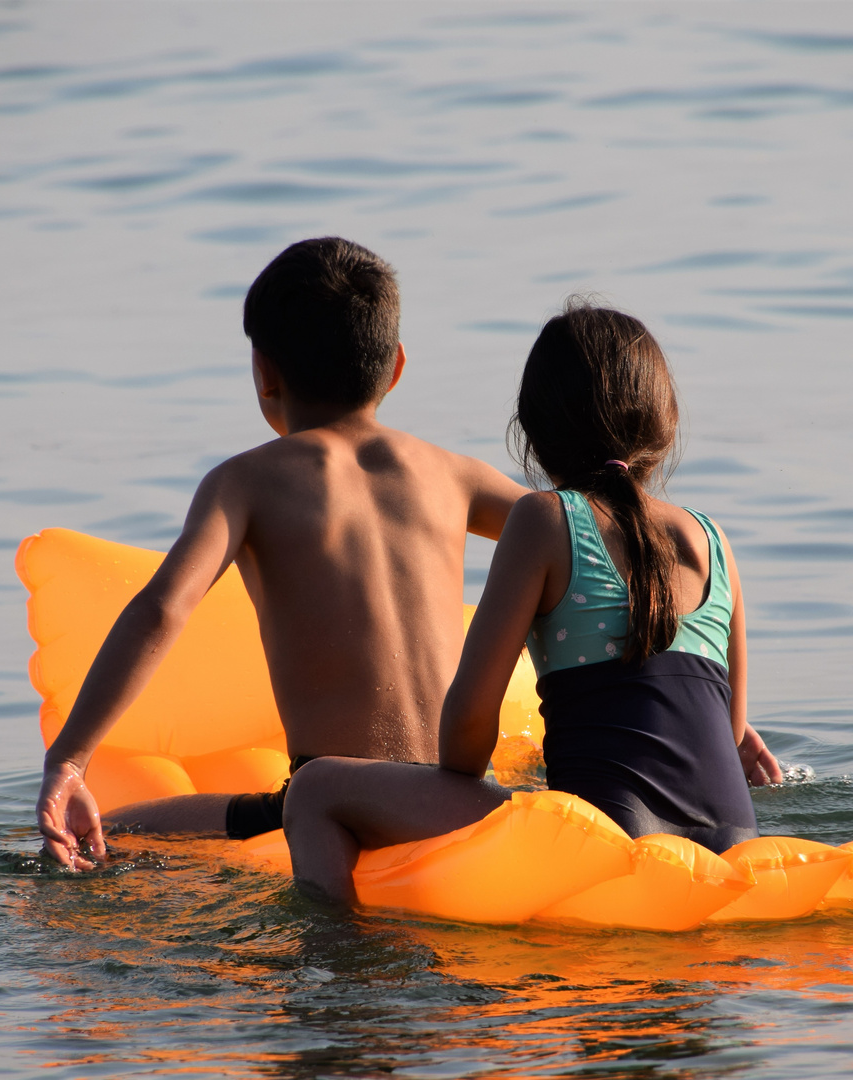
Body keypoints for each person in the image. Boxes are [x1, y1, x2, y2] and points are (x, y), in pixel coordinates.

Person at [36, 237, 526, 869]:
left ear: (263, 372)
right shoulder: (456, 475)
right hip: (460, 797)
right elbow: (578, 538)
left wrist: (69, 761)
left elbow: (164, 609)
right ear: (397, 365)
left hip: (339, 810)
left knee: (105, 838)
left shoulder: (246, 482)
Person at [284, 302, 783, 905]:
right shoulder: (715, 540)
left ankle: (342, 975)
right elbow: (730, 735)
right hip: (733, 847)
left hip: (610, 841)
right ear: (666, 424)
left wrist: (458, 778)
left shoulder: (545, 520)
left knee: (312, 790)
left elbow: (468, 720)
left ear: (532, 429)